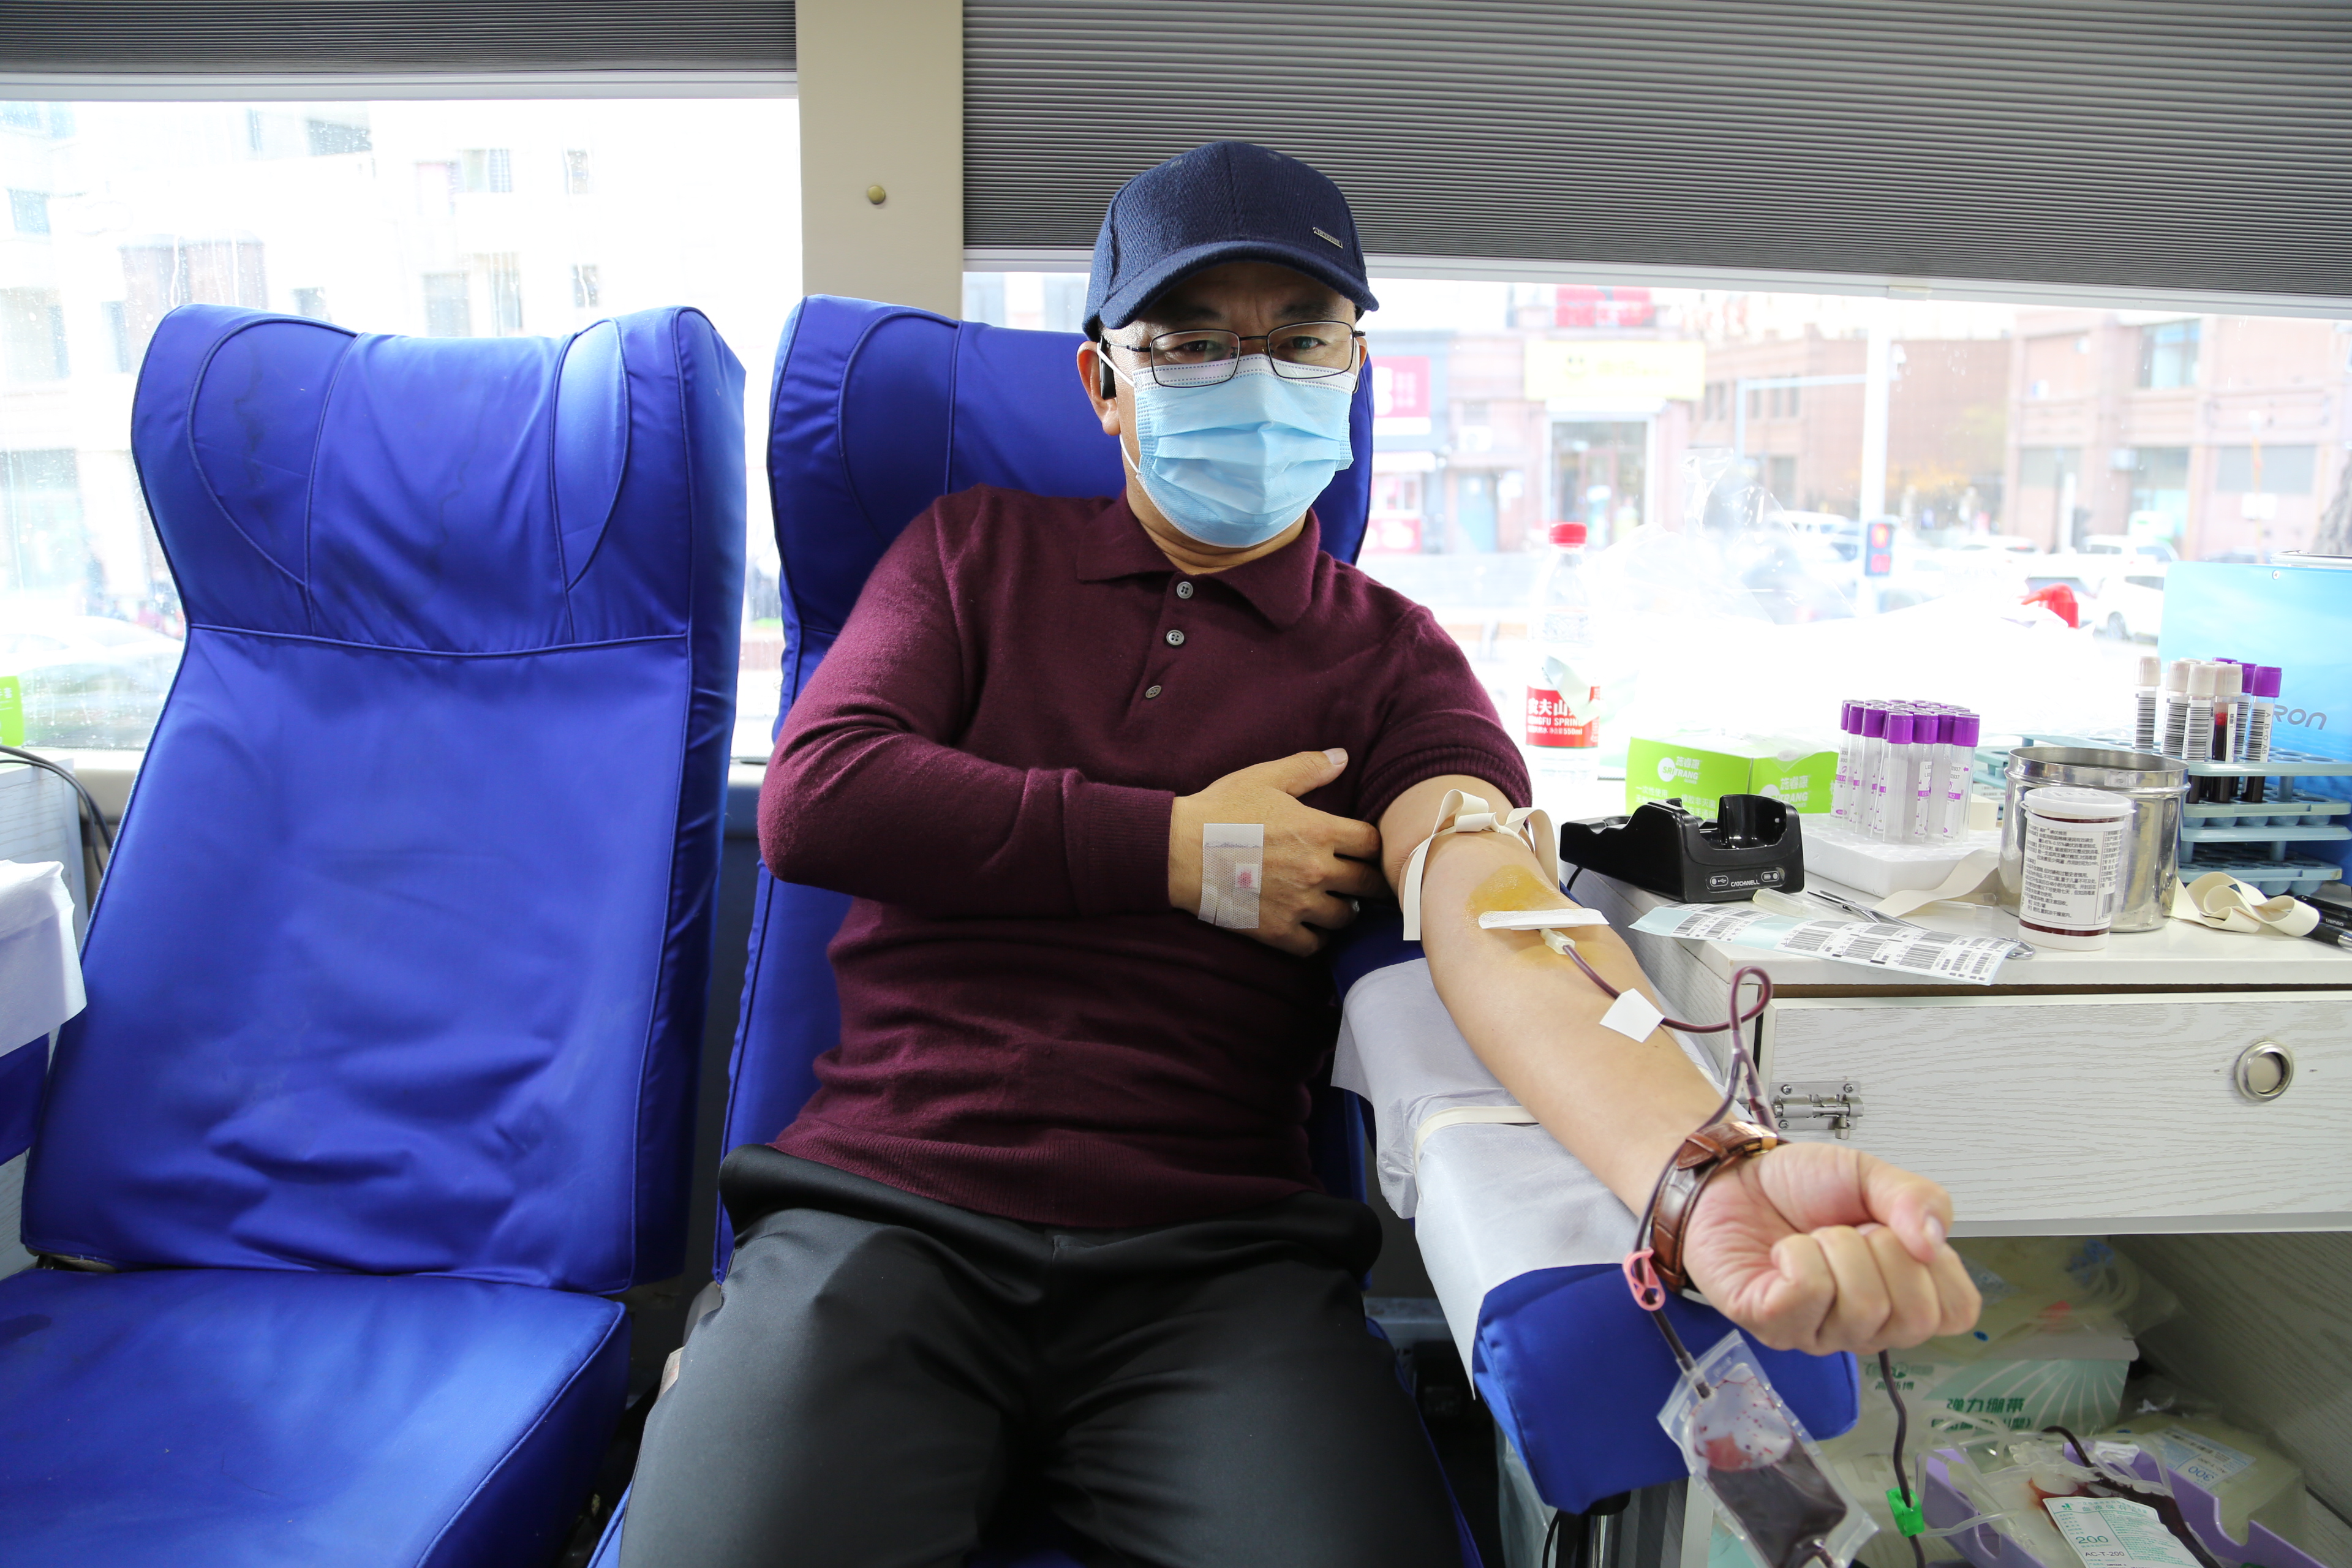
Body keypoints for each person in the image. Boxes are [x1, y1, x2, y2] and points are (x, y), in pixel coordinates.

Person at [619, 141, 1979, 1568]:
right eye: (1191, 342)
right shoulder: (974, 553)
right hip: (885, 1214)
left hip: (1214, 1270)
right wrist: (1178, 846)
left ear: (1353, 369)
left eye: (1300, 339)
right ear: (1104, 382)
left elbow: (1494, 910)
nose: (1251, 379)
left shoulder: (1394, 661)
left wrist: (1699, 1173)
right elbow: (823, 796)